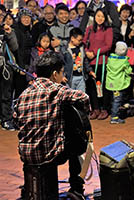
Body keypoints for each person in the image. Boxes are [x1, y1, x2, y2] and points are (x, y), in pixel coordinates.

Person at [14, 51, 90, 199]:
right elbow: (84, 98)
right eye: (62, 73)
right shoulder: (57, 90)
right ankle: (76, 187)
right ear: (55, 74)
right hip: (49, 155)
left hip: (26, 155)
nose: (63, 77)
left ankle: (28, 189)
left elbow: (16, 121)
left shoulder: (24, 94)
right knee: (77, 140)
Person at [83, 8, 113, 120]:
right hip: (90, 62)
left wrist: (95, 53)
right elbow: (84, 42)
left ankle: (104, 108)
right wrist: (87, 52)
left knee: (104, 86)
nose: (99, 18)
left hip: (102, 61)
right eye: (98, 16)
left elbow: (108, 45)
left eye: (102, 16)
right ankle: (95, 108)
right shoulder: (90, 29)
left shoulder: (108, 29)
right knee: (92, 86)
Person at [105, 41, 132, 124]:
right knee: (117, 100)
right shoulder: (124, 61)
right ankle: (114, 117)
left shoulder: (110, 59)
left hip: (111, 83)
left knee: (113, 100)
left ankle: (114, 114)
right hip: (118, 84)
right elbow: (128, 71)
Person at [0, 21, 19, 131]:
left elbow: (15, 47)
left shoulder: (6, 31)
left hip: (5, 68)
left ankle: (6, 119)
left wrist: (10, 34)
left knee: (6, 95)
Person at [61, 27, 91, 92]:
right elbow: (62, 64)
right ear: (72, 38)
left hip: (81, 77)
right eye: (79, 40)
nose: (80, 42)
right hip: (70, 77)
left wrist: (90, 70)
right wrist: (62, 76)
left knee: (81, 95)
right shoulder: (64, 50)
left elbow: (85, 61)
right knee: (70, 96)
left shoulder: (81, 48)